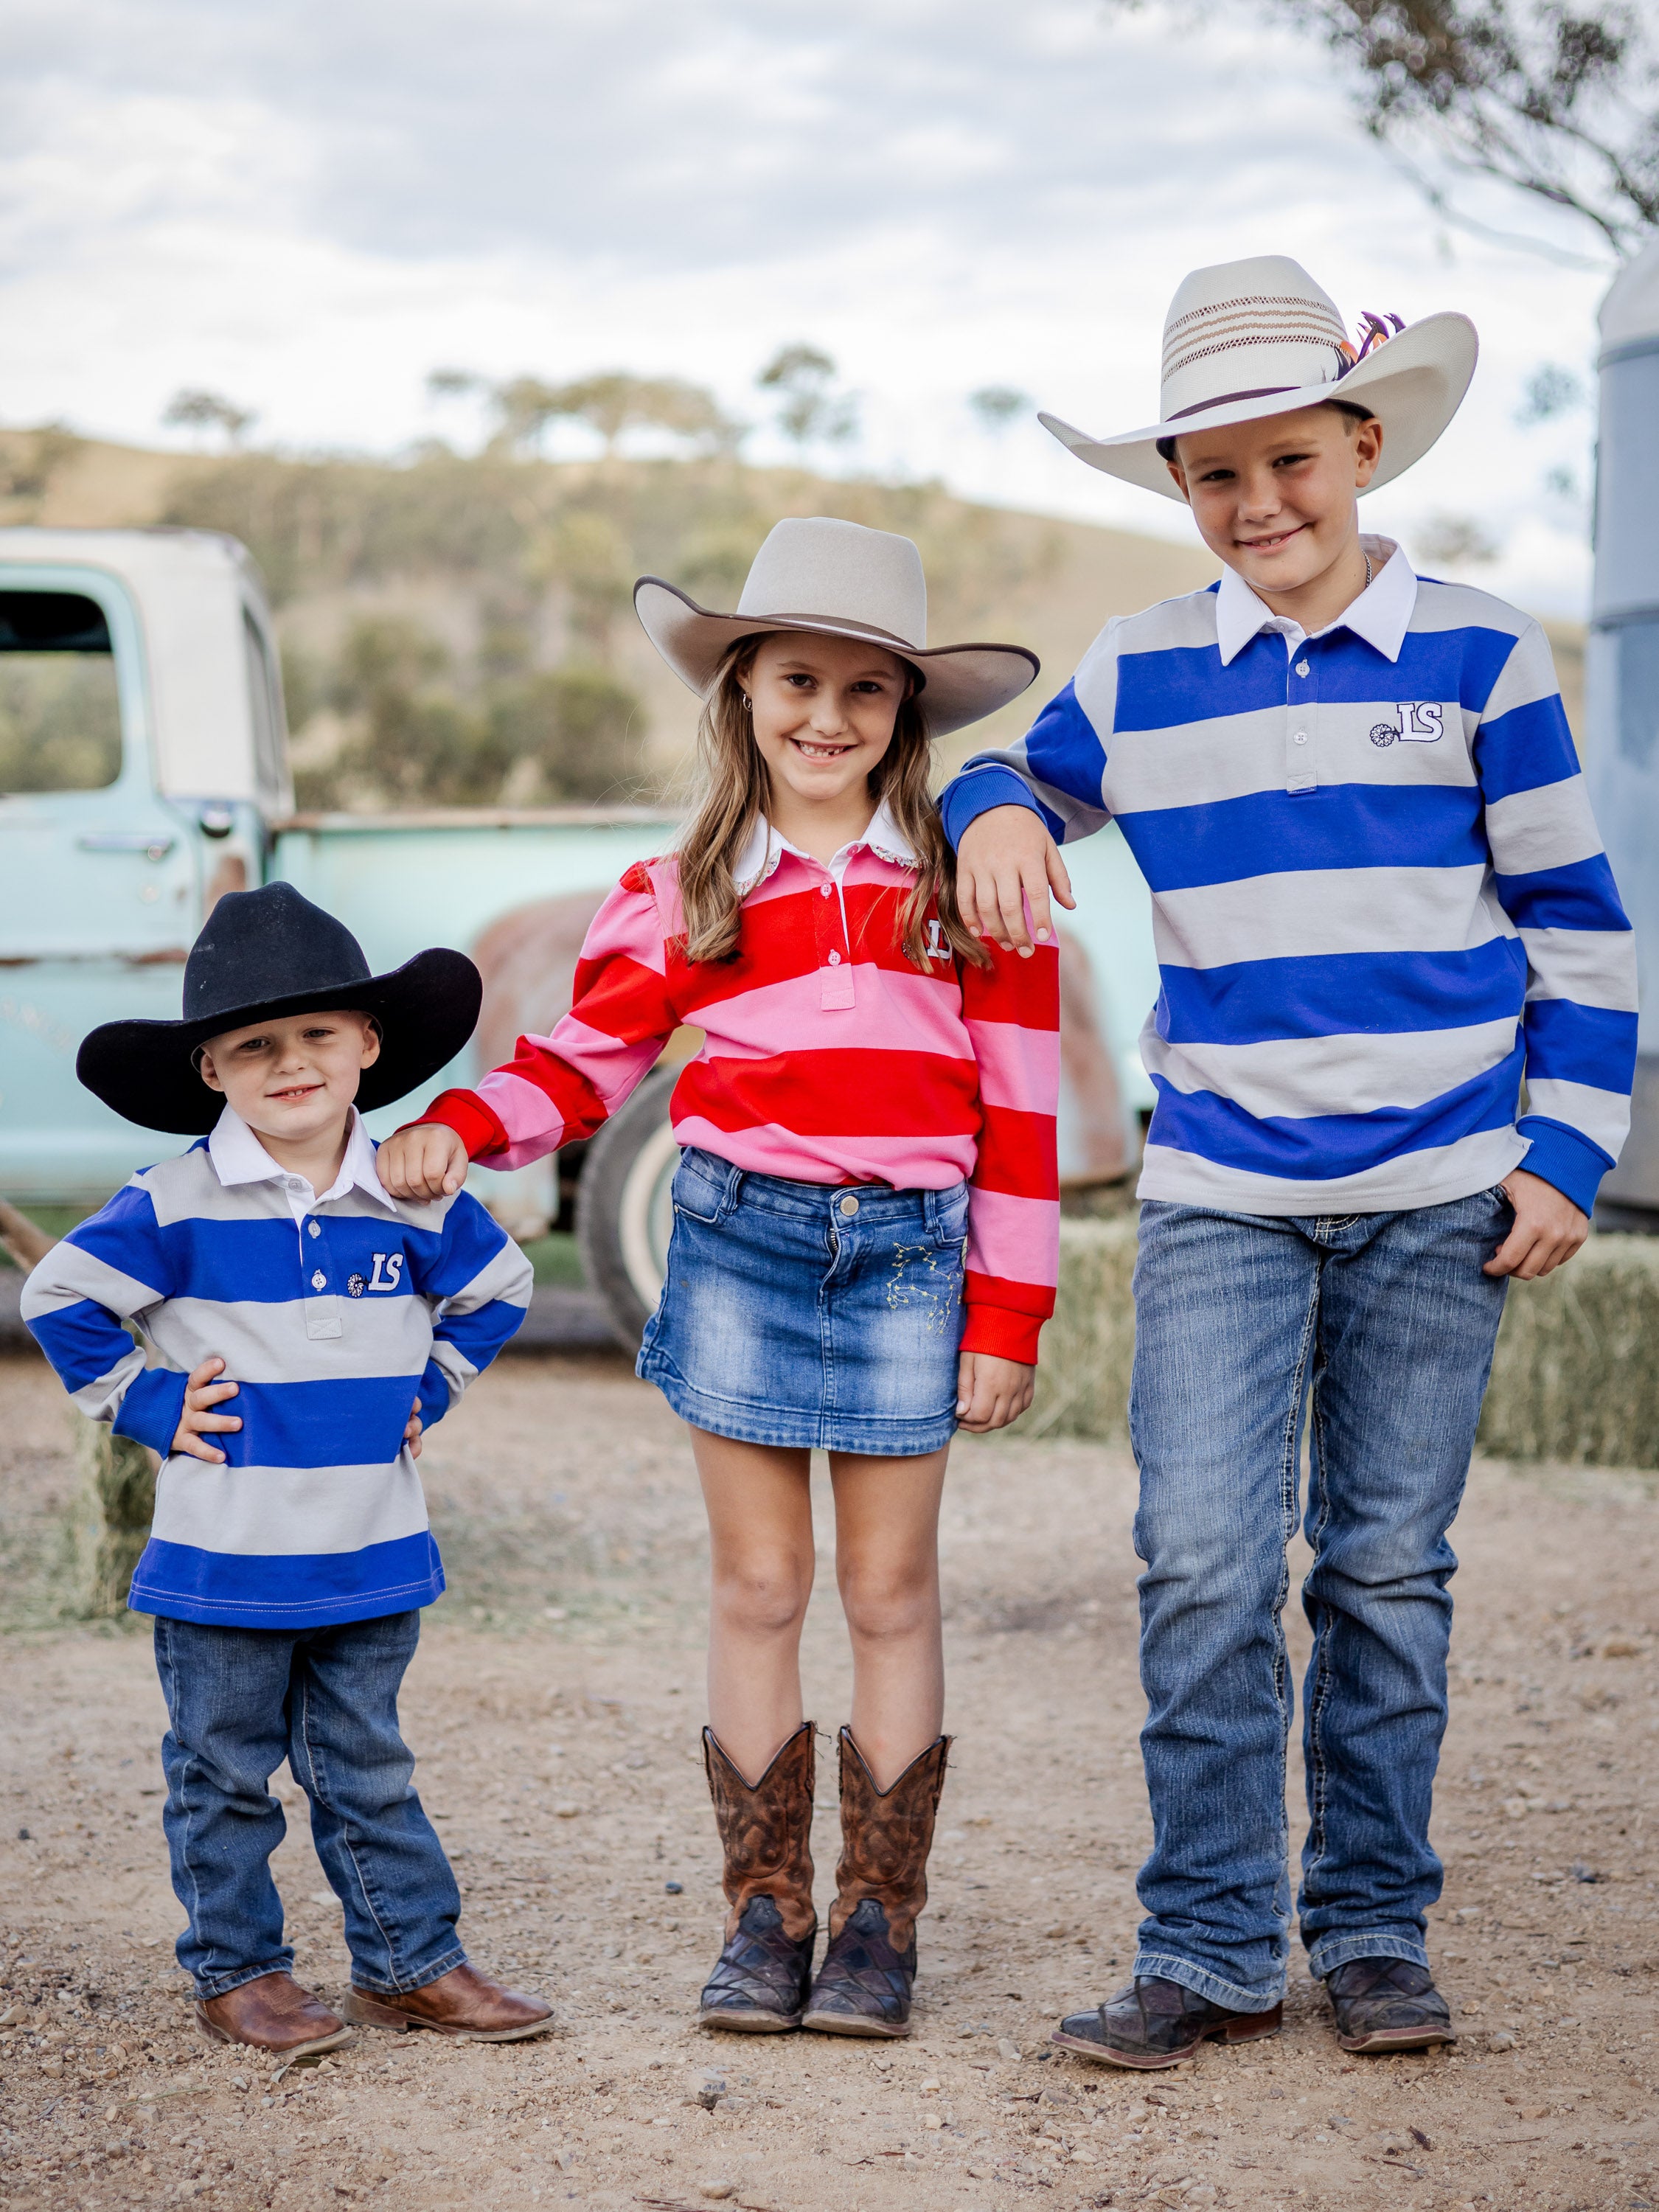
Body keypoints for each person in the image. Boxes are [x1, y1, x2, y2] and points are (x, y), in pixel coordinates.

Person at [938, 257, 1637, 2067]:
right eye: (1216, 475)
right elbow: (1005, 781)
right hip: (1221, 1197)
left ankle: (1376, 1931)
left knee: (1387, 1571)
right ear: (1181, 486)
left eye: (1292, 461)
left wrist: (1567, 1149)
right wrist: (995, 803)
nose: (1260, 504)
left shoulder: (1484, 652)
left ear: (1365, 445)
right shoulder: (1143, 666)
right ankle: (1212, 1944)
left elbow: (1577, 923)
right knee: (1198, 1564)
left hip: (1442, 1193)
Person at [378, 516, 1059, 2038]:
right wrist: (462, 1128)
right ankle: (767, 1913)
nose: (828, 716)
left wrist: (1009, 1311)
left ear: (907, 711)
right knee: (759, 1585)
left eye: (866, 689)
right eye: (796, 681)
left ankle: (877, 1924)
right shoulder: (684, 888)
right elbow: (582, 1062)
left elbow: (1021, 1117)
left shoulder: (973, 890)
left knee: (890, 1589)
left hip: (909, 1260)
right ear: (741, 689)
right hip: (740, 1244)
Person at [23, 883, 547, 2059]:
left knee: (369, 1767)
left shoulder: (415, 1195)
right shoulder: (173, 1202)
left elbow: (500, 1290)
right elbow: (59, 1296)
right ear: (211, 1069)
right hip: (225, 1557)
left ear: (368, 1044)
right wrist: (152, 1402)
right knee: (223, 1774)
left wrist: (428, 1389)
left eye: (317, 1034)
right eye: (255, 1045)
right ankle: (240, 1973)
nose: (291, 1062)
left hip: (371, 1545)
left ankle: (410, 1964)